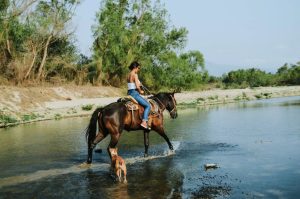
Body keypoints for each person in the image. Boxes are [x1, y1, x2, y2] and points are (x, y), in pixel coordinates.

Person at [127, 61, 151, 130]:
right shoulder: (135, 74)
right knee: (148, 105)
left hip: (129, 92)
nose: (138, 69)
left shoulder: (128, 75)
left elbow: (131, 85)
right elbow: (137, 86)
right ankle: (144, 122)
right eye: (138, 68)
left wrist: (138, 83)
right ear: (135, 67)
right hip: (134, 93)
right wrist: (141, 91)